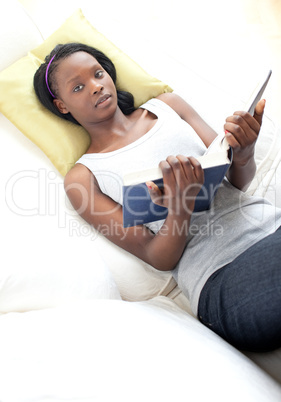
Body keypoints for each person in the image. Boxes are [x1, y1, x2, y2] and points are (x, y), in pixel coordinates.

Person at [34, 42, 281, 352]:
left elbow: (235, 181)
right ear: (62, 106)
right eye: (79, 87)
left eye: (98, 74)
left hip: (272, 228)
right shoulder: (83, 178)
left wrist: (244, 152)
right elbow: (157, 257)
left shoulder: (169, 106)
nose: (96, 87)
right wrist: (180, 209)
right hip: (224, 275)